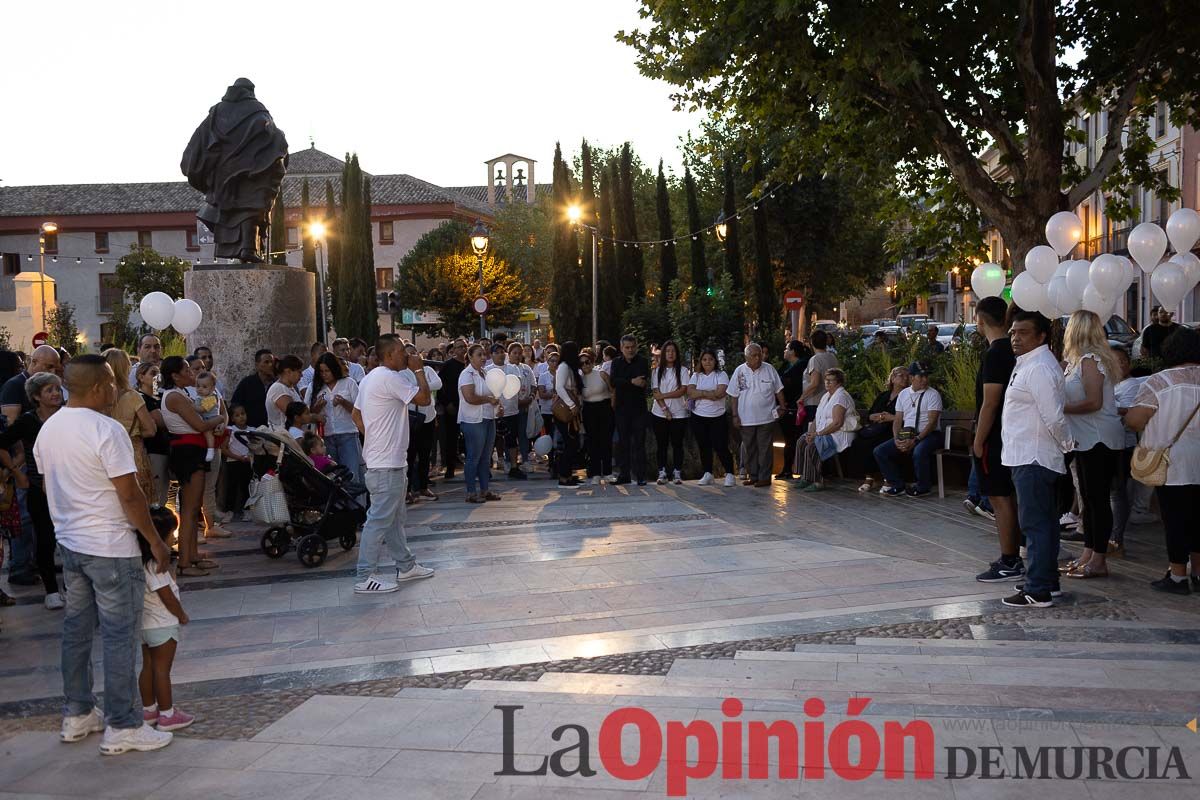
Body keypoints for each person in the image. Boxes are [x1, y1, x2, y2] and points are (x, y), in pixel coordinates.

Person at [35, 354, 174, 755]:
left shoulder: (50, 429)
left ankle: (78, 713)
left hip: (72, 545)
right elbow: (130, 495)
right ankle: (124, 724)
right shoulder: (106, 429)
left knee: (76, 632)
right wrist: (155, 541)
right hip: (111, 547)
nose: (116, 388)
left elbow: (50, 487)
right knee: (118, 637)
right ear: (98, 387)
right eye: (112, 382)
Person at [350, 336, 435, 593]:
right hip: (386, 464)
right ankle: (366, 574)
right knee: (378, 520)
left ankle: (406, 566)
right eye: (401, 352)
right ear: (388, 356)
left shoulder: (369, 378)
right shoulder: (390, 377)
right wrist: (418, 369)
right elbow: (424, 400)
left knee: (395, 519)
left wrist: (375, 438)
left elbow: (356, 415)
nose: (406, 356)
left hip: (386, 461)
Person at [1002, 311, 1074, 608]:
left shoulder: (1040, 367)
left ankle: (1038, 589)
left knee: (1036, 525)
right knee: (1042, 522)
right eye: (1013, 333)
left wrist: (1067, 445)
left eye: (1023, 333)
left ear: (1041, 336)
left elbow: (1054, 415)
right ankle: (1047, 581)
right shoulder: (1030, 364)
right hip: (1026, 453)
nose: (1016, 338)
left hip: (1034, 455)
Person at [1124, 326, 1200, 595]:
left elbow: (1135, 420)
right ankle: (1198, 574)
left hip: (1172, 463)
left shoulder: (1160, 382)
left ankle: (1178, 576)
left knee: (1175, 519)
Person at [1059, 310, 1125, 580]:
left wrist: (1061, 409)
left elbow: (1094, 402)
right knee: (1088, 498)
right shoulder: (1076, 362)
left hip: (1099, 438)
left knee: (1097, 499)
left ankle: (1099, 558)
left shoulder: (1091, 360)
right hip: (1085, 438)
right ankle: (1088, 553)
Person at [970, 297, 1023, 584]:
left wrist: (978, 441)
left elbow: (990, 402)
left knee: (999, 498)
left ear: (980, 320)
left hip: (995, 436)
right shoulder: (1012, 351)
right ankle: (1012, 554)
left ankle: (1009, 558)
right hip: (1010, 432)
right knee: (1007, 497)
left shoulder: (995, 354)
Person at [0, 372, 65, 609]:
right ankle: (51, 590)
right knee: (46, 539)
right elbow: (3, 441)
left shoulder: (68, 416)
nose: (56, 394)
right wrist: (16, 471)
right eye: (49, 390)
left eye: (57, 389)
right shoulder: (28, 421)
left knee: (70, 539)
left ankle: (73, 586)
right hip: (40, 488)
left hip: (71, 487)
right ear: (36, 396)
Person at [160, 356, 227, 577]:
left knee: (194, 505)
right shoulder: (175, 397)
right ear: (175, 375)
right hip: (187, 452)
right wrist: (219, 421)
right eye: (187, 370)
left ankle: (194, 556)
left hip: (193, 450)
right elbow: (200, 424)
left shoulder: (184, 394)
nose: (192, 374)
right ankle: (185, 562)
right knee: (189, 509)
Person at [138, 506, 193, 732]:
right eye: (171, 534)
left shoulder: (141, 565)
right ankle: (167, 714)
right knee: (162, 670)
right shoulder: (157, 566)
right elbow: (167, 597)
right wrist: (181, 615)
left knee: (148, 667)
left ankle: (148, 710)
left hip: (145, 625)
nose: (173, 538)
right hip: (163, 624)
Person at [874, 361, 943, 497]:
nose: (925, 380)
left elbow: (932, 423)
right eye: (921, 376)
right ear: (912, 378)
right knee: (880, 451)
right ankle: (897, 485)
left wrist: (916, 439)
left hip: (930, 434)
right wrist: (897, 439)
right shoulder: (904, 394)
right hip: (908, 433)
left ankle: (923, 486)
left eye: (926, 376)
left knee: (919, 451)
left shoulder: (933, 394)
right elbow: (898, 419)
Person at [1108, 348, 1150, 556]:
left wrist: (1103, 405)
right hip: (1108, 443)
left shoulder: (1132, 385)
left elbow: (1127, 412)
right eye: (1115, 362)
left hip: (1123, 445)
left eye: (1123, 361)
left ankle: (1116, 539)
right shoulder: (1110, 385)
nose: (1120, 365)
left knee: (1118, 492)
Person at [103, 350, 158, 505]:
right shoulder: (133, 397)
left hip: (106, 453)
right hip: (133, 453)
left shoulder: (98, 395)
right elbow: (150, 430)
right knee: (138, 503)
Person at [729, 343, 786, 487]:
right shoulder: (739, 371)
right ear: (747, 357)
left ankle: (765, 477)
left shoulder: (769, 369)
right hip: (746, 418)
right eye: (754, 355)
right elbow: (733, 395)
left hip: (766, 417)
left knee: (765, 448)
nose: (758, 358)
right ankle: (753, 475)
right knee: (749, 448)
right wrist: (735, 415)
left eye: (759, 354)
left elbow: (778, 389)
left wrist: (783, 407)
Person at [307, 352, 362, 485]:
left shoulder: (349, 383)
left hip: (348, 434)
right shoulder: (314, 387)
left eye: (328, 371)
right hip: (326, 438)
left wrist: (344, 402)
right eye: (321, 371)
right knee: (332, 477)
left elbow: (359, 410)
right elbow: (307, 414)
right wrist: (317, 408)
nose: (324, 374)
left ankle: (355, 505)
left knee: (351, 474)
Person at [796, 368, 855, 491]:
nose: (827, 383)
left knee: (813, 446)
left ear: (838, 382)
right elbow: (817, 419)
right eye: (826, 380)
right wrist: (811, 433)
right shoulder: (825, 396)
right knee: (802, 441)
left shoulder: (841, 397)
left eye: (830, 380)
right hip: (823, 432)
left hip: (838, 434)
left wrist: (817, 434)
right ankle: (805, 477)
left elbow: (837, 423)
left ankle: (818, 481)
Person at [853, 366, 909, 493]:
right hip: (877, 428)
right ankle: (869, 477)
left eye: (907, 376)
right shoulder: (884, 395)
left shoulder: (908, 396)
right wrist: (876, 416)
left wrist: (891, 418)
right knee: (860, 442)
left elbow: (910, 417)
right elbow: (871, 414)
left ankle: (887, 478)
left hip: (895, 429)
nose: (905, 378)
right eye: (901, 375)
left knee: (878, 443)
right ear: (893, 378)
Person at [459, 344, 502, 503]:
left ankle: (485, 490)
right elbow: (470, 397)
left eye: (484, 354)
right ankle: (471, 492)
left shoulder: (486, 373)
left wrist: (498, 406)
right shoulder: (466, 374)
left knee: (486, 457)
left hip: (488, 418)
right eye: (479, 355)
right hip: (473, 420)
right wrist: (488, 400)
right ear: (470, 357)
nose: (483, 357)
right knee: (473, 457)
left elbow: (494, 394)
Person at [687, 349, 735, 487]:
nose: (707, 362)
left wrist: (700, 393)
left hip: (717, 416)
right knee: (704, 445)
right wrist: (708, 393)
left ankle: (730, 473)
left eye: (710, 359)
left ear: (715, 361)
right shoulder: (696, 376)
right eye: (704, 359)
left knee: (720, 445)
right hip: (698, 416)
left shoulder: (721, 375)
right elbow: (690, 392)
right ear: (700, 362)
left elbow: (720, 393)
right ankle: (707, 473)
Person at [401, 343, 443, 499]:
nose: (412, 356)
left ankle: (424, 487)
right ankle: (408, 489)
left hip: (429, 417)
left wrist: (419, 385)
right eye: (408, 354)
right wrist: (422, 386)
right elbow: (408, 391)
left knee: (425, 453)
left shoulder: (428, 369)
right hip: (412, 418)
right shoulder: (402, 373)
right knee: (410, 455)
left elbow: (438, 383)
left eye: (414, 353)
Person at [610, 334, 651, 485]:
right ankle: (624, 475)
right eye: (627, 347)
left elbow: (642, 381)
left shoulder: (642, 362)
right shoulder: (616, 363)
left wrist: (626, 381)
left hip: (638, 409)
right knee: (623, 443)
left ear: (637, 347)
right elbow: (614, 381)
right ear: (621, 348)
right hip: (622, 409)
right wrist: (631, 381)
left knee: (639, 443)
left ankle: (640, 476)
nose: (630, 350)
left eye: (633, 347)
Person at [651, 341, 691, 485]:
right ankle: (662, 472)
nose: (670, 354)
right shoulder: (656, 371)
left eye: (673, 351)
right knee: (661, 444)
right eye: (667, 351)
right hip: (659, 413)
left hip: (679, 413)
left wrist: (663, 395)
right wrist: (665, 409)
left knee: (677, 444)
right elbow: (656, 392)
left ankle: (677, 472)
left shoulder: (683, 371)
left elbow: (682, 390)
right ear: (663, 354)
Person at [135, 362, 171, 507]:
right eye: (153, 373)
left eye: (158, 373)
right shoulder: (140, 397)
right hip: (151, 450)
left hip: (166, 448)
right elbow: (162, 421)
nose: (157, 377)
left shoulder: (161, 396)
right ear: (141, 377)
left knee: (163, 492)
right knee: (155, 493)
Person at [580, 349, 614, 484]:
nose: (585, 365)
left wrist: (613, 407)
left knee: (606, 441)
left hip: (604, 408)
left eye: (587, 362)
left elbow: (613, 390)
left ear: (592, 362)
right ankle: (595, 473)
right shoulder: (579, 379)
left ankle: (608, 472)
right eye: (581, 363)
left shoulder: (601, 374)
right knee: (592, 442)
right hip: (589, 409)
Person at [778, 340, 810, 480]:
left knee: (793, 439)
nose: (784, 351)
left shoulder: (801, 365)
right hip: (785, 406)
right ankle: (787, 468)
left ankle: (793, 468)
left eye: (787, 348)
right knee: (788, 439)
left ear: (793, 351)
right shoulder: (786, 365)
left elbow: (786, 383)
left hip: (795, 407)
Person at [554, 341, 585, 487]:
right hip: (566, 410)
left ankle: (568, 474)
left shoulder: (571, 368)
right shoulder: (564, 367)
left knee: (573, 443)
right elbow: (559, 387)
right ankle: (563, 477)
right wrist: (571, 404)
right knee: (570, 443)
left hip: (572, 411)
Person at [438, 340, 467, 480]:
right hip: (452, 407)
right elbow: (440, 386)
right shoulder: (448, 366)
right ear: (453, 350)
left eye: (464, 347)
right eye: (459, 347)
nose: (462, 350)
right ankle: (450, 467)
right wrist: (447, 403)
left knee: (469, 438)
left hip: (469, 406)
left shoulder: (470, 365)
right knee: (451, 439)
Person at [222, 404, 253, 522]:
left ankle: (247, 511)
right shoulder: (230, 431)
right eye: (237, 415)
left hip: (247, 463)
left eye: (243, 414)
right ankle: (229, 511)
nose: (241, 417)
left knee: (247, 487)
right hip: (233, 462)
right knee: (231, 487)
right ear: (232, 418)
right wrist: (238, 457)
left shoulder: (252, 431)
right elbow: (224, 448)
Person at [231, 349, 275, 429]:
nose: (270, 365)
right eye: (266, 362)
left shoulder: (276, 384)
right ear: (257, 365)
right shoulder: (247, 383)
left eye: (272, 362)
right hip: (252, 431)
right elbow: (235, 405)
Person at [265, 355, 304, 430]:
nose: (301, 375)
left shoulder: (290, 388)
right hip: (283, 437)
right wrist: (314, 417)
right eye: (299, 372)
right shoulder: (278, 389)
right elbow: (295, 415)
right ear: (288, 371)